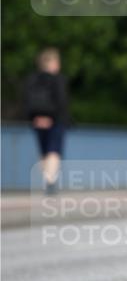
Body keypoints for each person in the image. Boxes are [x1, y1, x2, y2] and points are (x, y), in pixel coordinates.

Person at [24, 47, 70, 194]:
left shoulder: (32, 80)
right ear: (53, 62)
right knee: (54, 150)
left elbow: (27, 101)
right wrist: (53, 118)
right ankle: (50, 181)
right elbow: (61, 102)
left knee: (43, 151)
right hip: (55, 120)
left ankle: (46, 179)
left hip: (37, 120)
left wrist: (35, 118)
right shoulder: (58, 79)